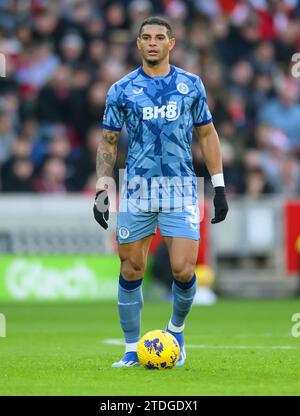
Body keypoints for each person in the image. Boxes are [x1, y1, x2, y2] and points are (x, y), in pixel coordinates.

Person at [93, 16, 228, 368]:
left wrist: (219, 185)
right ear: (138, 44)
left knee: (184, 270)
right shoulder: (121, 89)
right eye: (146, 37)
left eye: (159, 37)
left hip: (181, 187)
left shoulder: (191, 84)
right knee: (131, 269)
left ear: (172, 43)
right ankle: (130, 348)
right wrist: (103, 186)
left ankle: (177, 332)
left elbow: (207, 135)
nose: (152, 42)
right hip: (137, 187)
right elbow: (108, 141)